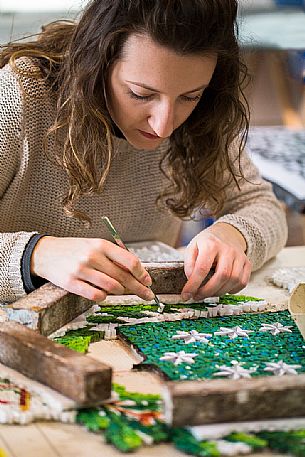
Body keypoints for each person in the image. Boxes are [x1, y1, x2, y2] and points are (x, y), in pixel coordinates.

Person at [0, 0, 287, 305]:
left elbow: (262, 206)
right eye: (141, 94)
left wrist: (233, 236)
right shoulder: (17, 98)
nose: (164, 126)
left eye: (189, 97)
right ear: (97, 62)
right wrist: (35, 255)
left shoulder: (205, 114)